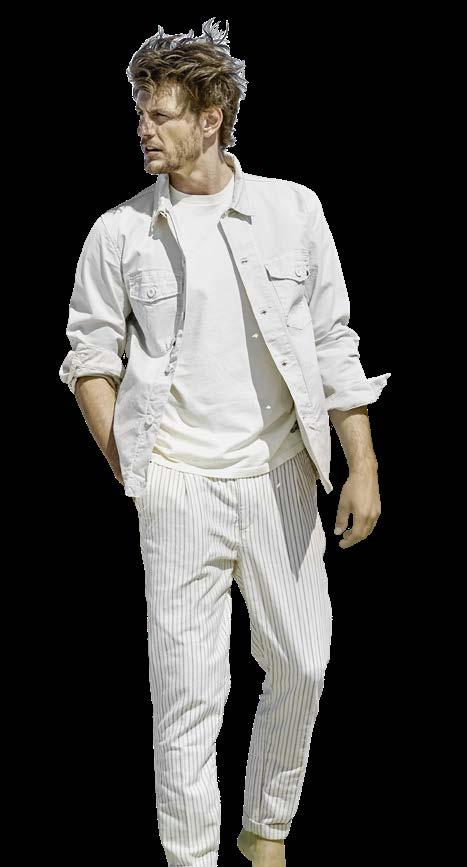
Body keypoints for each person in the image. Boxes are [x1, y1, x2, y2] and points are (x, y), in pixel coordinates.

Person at [59, 19, 391, 867]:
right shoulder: (119, 231)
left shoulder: (292, 209)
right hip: (176, 483)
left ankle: (264, 829)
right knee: (187, 696)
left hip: (281, 475)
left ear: (211, 117)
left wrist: (361, 462)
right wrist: (131, 465)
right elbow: (89, 354)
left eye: (160, 113)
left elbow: (332, 340)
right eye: (139, 111)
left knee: (304, 664)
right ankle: (192, 858)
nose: (142, 127)